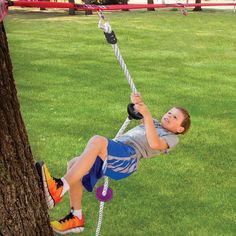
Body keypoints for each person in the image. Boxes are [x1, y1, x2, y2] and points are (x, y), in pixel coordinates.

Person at [36, 93, 191, 235]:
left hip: (128, 158)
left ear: (180, 128)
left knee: (97, 140)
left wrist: (148, 115)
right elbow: (143, 116)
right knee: (74, 163)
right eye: (169, 112)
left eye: (175, 117)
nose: (169, 116)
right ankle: (76, 217)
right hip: (118, 151)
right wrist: (137, 103)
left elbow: (154, 143)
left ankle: (58, 189)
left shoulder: (172, 138)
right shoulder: (155, 123)